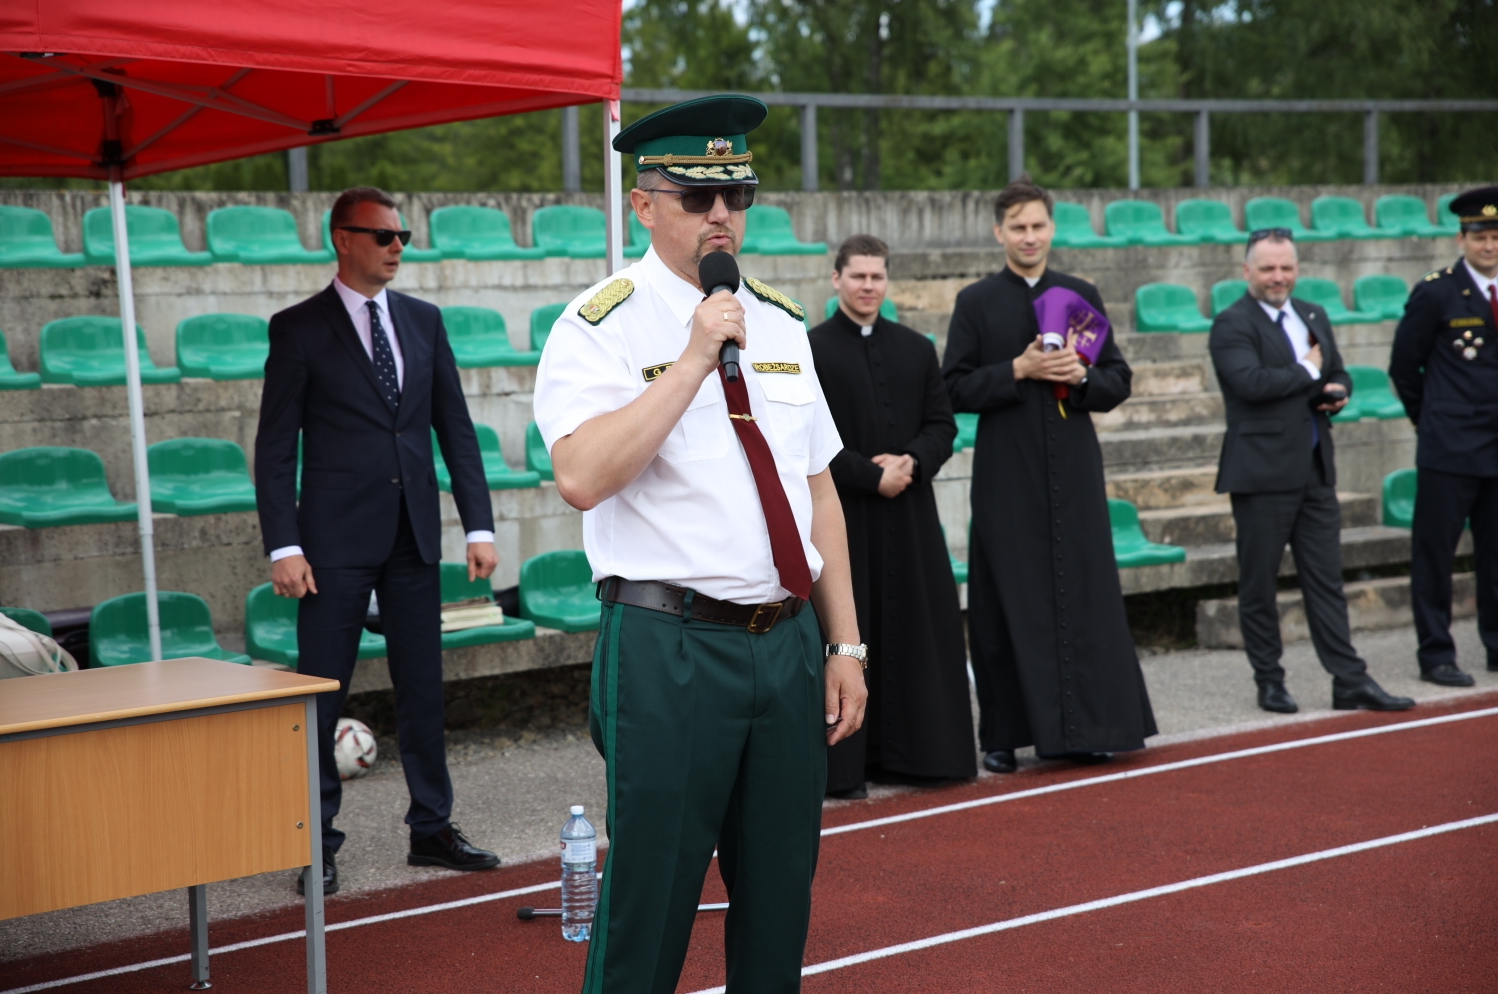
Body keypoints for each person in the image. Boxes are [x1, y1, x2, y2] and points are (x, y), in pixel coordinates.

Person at [533, 95, 867, 994]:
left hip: (787, 643)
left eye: (737, 195)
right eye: (693, 196)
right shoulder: (598, 325)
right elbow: (581, 477)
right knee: (653, 900)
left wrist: (845, 644)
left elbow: (817, 491)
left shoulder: (782, 322)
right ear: (644, 206)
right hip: (669, 645)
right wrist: (689, 362)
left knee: (778, 899)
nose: (721, 215)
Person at [255, 186, 501, 896]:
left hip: (414, 539)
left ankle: (432, 828)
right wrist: (284, 545)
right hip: (329, 545)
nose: (398, 248)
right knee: (321, 696)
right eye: (385, 236)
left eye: (404, 237)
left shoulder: (424, 321)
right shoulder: (297, 328)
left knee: (423, 689)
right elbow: (275, 449)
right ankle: (314, 842)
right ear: (343, 238)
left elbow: (454, 427)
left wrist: (477, 525)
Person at [943, 175, 1155, 775]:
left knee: (1083, 594)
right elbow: (952, 386)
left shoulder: (1080, 293)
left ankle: (1091, 728)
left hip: (1075, 469)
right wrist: (1018, 367)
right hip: (1007, 472)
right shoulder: (976, 302)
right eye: (1018, 227)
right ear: (998, 233)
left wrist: (1080, 375)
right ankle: (1003, 736)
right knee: (1003, 600)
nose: (1029, 237)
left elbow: (1118, 382)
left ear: (1052, 228)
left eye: (1038, 226)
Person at [1210, 229, 1414, 715]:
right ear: (1247, 272)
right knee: (1258, 583)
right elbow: (1251, 383)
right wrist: (1307, 372)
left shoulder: (1313, 315)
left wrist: (1336, 390)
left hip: (1315, 472)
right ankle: (1270, 680)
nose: (1278, 277)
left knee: (1326, 581)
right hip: (1261, 477)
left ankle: (1349, 679)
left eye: (1286, 268)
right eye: (1267, 269)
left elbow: (1336, 370)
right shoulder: (1230, 323)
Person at [808, 234, 974, 800]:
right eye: (858, 276)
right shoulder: (810, 350)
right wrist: (869, 475)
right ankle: (843, 768)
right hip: (845, 516)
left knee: (915, 633)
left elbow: (943, 424)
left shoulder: (916, 347)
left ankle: (918, 757)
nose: (868, 286)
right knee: (849, 632)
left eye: (877, 277)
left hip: (910, 516)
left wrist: (912, 462)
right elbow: (809, 443)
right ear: (837, 280)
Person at [1388, 186, 1498, 687]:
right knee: (1435, 554)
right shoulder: (1436, 291)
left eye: (1497, 236)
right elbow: (1403, 367)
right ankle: (1436, 654)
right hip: (1449, 447)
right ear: (1462, 238)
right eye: (1480, 236)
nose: (1490, 246)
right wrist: (1428, 418)